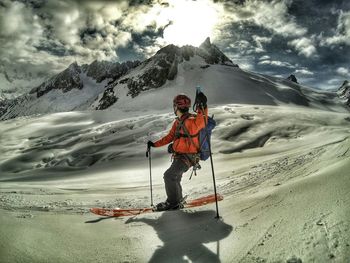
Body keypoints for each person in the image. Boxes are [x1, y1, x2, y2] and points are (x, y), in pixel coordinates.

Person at [147, 92, 208, 211]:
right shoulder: (178, 122)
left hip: (187, 157)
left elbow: (202, 122)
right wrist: (154, 144)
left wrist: (203, 107)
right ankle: (177, 199)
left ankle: (173, 203)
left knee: (169, 176)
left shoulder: (191, 121)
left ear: (176, 107)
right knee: (175, 177)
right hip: (180, 157)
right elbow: (170, 137)